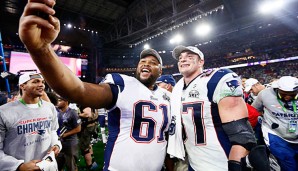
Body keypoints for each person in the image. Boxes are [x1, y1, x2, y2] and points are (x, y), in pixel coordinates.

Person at [18, 1, 171, 170]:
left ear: (161, 71)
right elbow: (78, 91)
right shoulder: (123, 84)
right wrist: (41, 50)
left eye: (153, 62)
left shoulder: (169, 96)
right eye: (143, 61)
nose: (146, 64)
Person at [167, 45, 269, 171]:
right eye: (180, 58)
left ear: (201, 62)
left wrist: (235, 164)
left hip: (220, 163)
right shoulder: (178, 89)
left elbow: (241, 134)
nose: (183, 59)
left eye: (189, 57)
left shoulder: (216, 80)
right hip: (194, 163)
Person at [0, 72, 61, 171]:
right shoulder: (4, 112)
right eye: (35, 82)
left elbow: (53, 131)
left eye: (42, 82)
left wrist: (56, 144)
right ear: (22, 86)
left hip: (47, 166)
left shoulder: (49, 107)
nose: (41, 85)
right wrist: (18, 166)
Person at [252, 76, 298, 171]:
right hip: (275, 135)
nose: (288, 97)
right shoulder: (265, 94)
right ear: (277, 89)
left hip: (296, 135)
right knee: (289, 165)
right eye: (284, 94)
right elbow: (254, 110)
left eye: (292, 94)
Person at [56, 96, 81, 171]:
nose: (58, 102)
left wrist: (66, 134)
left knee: (71, 166)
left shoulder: (72, 113)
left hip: (70, 143)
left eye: (60, 100)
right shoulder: (57, 112)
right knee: (58, 165)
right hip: (59, 143)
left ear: (66, 101)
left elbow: (78, 128)